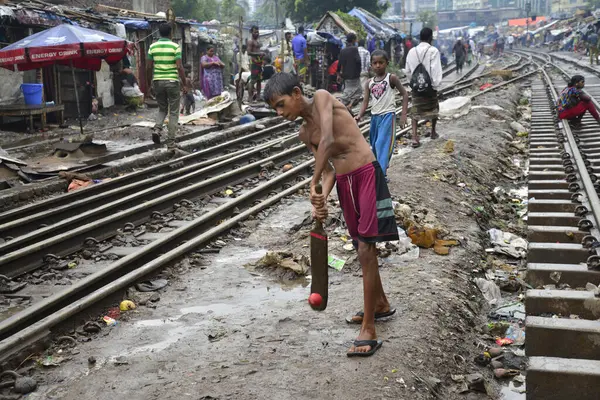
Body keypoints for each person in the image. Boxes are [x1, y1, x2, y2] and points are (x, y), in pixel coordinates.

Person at [263, 73, 399, 357]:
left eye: (280, 104)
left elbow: (327, 139)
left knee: (365, 248)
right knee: (363, 246)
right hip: (347, 184)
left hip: (366, 174)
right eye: (275, 108)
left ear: (297, 93)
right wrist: (320, 197)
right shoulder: (303, 134)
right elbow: (329, 172)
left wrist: (313, 183)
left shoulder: (324, 98)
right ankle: (380, 303)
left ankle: (369, 329)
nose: (279, 113)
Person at [355, 50, 408, 178]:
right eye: (375, 63)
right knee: (374, 145)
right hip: (375, 117)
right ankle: (380, 169)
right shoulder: (369, 83)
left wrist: (403, 114)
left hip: (388, 116)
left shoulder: (392, 78)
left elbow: (405, 94)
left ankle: (381, 175)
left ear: (387, 63)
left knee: (381, 144)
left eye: (381, 62)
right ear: (371, 65)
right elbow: (365, 102)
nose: (378, 65)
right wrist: (360, 115)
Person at [147, 23, 187, 149]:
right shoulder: (175, 46)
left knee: (162, 108)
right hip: (172, 81)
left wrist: (149, 84)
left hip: (157, 81)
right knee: (174, 112)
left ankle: (157, 129)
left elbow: (148, 67)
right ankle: (170, 141)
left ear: (159, 33)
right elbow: (179, 66)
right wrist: (185, 83)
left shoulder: (152, 47)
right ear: (171, 33)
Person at [405, 27, 443, 147]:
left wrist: (412, 83)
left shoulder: (411, 51)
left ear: (420, 37)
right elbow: (435, 69)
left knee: (415, 110)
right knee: (434, 108)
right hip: (430, 88)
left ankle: (415, 137)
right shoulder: (433, 51)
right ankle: (432, 132)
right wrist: (435, 85)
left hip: (416, 87)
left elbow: (407, 70)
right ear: (430, 37)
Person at [337, 33, 362, 112]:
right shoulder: (354, 49)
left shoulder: (342, 51)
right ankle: (340, 105)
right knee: (356, 92)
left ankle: (348, 106)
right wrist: (359, 71)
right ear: (353, 40)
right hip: (354, 74)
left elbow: (339, 64)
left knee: (349, 91)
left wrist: (338, 75)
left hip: (346, 75)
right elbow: (358, 61)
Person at [247, 25, 265, 102]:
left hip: (259, 63)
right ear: (251, 32)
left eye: (257, 32)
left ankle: (258, 96)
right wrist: (259, 54)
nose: (257, 33)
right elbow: (249, 52)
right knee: (253, 80)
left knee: (259, 80)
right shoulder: (250, 41)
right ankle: (250, 97)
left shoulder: (257, 41)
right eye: (255, 32)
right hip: (254, 63)